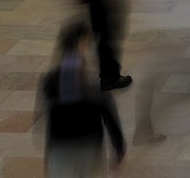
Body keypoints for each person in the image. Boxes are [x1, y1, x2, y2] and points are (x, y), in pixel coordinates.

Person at [38, 22, 126, 175]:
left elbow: (51, 116)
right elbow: (108, 111)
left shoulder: (51, 79)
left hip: (61, 146)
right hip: (89, 144)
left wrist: (49, 150)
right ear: (81, 43)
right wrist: (118, 146)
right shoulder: (89, 80)